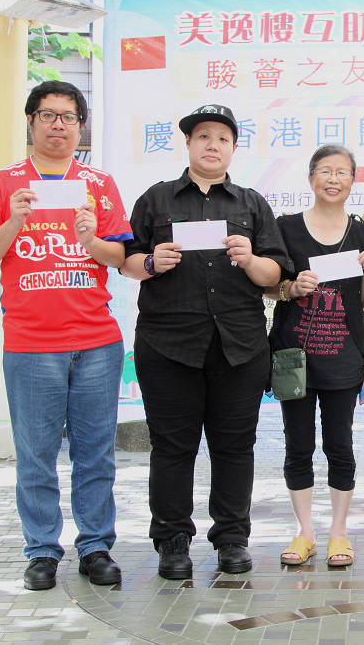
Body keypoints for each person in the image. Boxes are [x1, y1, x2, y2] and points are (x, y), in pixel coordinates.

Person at [0, 80, 132, 591]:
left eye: (68, 116)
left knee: (95, 453)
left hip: (97, 342)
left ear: (80, 127)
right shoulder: (3, 183)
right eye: (48, 115)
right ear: (31, 121)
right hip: (31, 343)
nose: (58, 124)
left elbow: (120, 257)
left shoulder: (99, 184)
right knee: (36, 455)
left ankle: (95, 546)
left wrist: (91, 239)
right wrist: (14, 221)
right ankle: (41, 550)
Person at [121, 104, 291, 578]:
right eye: (203, 137)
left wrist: (251, 259)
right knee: (172, 448)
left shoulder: (251, 204)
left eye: (222, 138)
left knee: (234, 447)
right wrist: (151, 262)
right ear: (189, 144)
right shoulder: (155, 199)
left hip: (239, 346)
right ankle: (172, 541)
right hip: (168, 345)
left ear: (233, 148)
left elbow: (275, 274)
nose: (212, 145)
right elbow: (127, 262)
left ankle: (232, 538)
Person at [268, 145, 364, 568]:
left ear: (353, 181)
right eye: (325, 171)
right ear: (311, 178)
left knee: (340, 445)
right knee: (297, 445)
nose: (333, 179)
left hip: (343, 356)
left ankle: (339, 532)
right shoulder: (285, 228)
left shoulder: (363, 235)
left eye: (342, 172)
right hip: (292, 355)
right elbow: (268, 286)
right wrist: (291, 287)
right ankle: (305, 532)